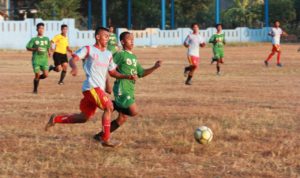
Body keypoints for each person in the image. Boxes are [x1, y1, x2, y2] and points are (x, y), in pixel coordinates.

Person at [45, 27, 137, 148]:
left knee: (83, 118)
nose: (107, 39)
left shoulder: (108, 54)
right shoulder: (89, 49)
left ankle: (55, 119)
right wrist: (74, 67)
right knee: (109, 107)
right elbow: (73, 59)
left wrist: (126, 76)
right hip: (91, 87)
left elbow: (112, 72)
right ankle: (105, 139)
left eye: (108, 37)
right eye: (105, 36)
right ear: (98, 37)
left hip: (97, 89)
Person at [93, 31, 162, 141]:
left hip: (130, 89)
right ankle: (110, 105)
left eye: (133, 39)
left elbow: (141, 73)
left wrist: (154, 67)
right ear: (122, 42)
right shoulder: (120, 55)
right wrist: (107, 84)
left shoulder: (133, 57)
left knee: (122, 119)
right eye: (129, 39)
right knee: (134, 111)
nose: (132, 41)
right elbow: (108, 67)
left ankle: (100, 136)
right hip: (122, 88)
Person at [26, 22, 51, 94]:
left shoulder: (46, 39)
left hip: (44, 60)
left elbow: (48, 46)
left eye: (42, 28)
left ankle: (36, 79)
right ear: (37, 29)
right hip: (36, 59)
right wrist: (35, 49)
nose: (41, 30)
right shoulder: (34, 39)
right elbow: (27, 47)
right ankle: (35, 90)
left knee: (46, 75)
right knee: (37, 74)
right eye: (40, 28)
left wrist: (49, 52)